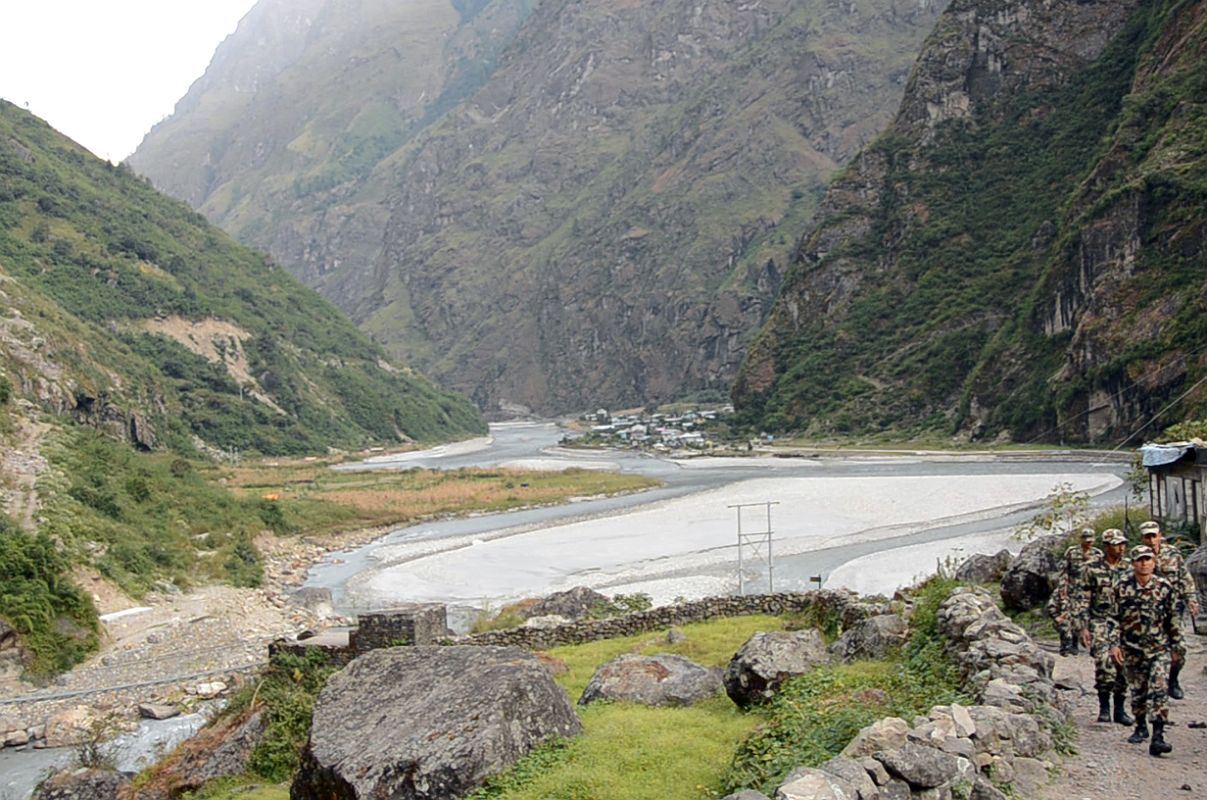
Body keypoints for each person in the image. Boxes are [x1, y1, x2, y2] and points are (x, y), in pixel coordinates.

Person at [1109, 544, 1183, 756]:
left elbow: (1173, 619)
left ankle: (1158, 736)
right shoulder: (1121, 588)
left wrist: (1177, 647)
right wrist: (1114, 644)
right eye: (1140, 559)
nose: (1144, 563)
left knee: (1159, 689)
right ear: (1133, 563)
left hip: (1158, 648)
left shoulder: (1164, 587)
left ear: (1154, 562)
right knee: (1138, 691)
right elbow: (1113, 619)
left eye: (1148, 559)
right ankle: (1141, 726)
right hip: (1132, 650)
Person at [1139, 520, 1199, 699]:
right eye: (1147, 536)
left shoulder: (1173, 554)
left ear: (1159, 536)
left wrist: (1191, 599)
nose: (1150, 540)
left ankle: (1173, 680)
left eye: (1153, 536)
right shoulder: (1138, 557)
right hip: (1148, 609)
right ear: (1142, 539)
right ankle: (1151, 686)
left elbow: (1184, 577)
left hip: (1173, 608)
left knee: (1178, 648)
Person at [1081, 528, 1131, 724]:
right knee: (1104, 663)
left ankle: (1119, 708)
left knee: (1123, 665)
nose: (1121, 548)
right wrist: (1083, 627)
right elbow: (1082, 599)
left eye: (1123, 544)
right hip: (1099, 621)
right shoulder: (1091, 568)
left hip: (1125, 623)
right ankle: (1104, 707)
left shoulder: (1130, 567)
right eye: (1116, 544)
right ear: (1107, 546)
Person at [1056, 528, 1102, 655]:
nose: (1088, 543)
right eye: (1086, 540)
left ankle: (1089, 643)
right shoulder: (1072, 552)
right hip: (1073, 590)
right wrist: (1062, 588)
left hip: (1090, 592)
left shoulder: (1098, 554)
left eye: (1090, 540)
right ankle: (1070, 643)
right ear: (1081, 539)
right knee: (1072, 616)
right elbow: (1064, 571)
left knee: (1089, 617)